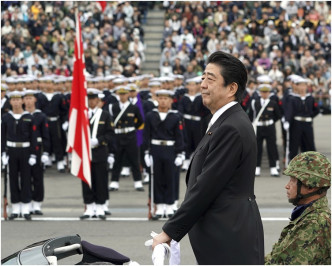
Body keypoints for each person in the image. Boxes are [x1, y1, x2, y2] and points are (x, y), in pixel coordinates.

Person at [151, 51, 264, 264]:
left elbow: (206, 186)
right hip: (223, 234)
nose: (202, 84)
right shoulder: (224, 121)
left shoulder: (231, 127)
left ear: (231, 88)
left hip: (229, 238)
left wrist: (169, 232)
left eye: (210, 79)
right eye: (203, 77)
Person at [265, 151, 331, 265]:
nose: (287, 186)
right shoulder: (307, 215)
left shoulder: (314, 223)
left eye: (293, 180)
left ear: (310, 186)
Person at [143, 90, 185, 219]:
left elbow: (180, 136)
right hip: (155, 149)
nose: (163, 101)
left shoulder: (176, 116)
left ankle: (170, 204)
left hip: (170, 149)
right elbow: (146, 136)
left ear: (171, 101)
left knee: (170, 177)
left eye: (165, 99)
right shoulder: (151, 115)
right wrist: (146, 152)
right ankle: (159, 205)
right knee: (157, 178)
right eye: (160, 98)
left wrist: (180, 153)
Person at [1, 91, 38, 220]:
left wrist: (33, 154)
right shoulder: (6, 117)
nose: (16, 103)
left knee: (26, 179)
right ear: (10, 102)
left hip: (25, 150)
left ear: (22, 101)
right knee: (13, 179)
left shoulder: (29, 117)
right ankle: (16, 207)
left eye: (18, 100)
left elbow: (34, 138)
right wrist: (3, 153)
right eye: (13, 100)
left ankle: (26, 207)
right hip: (11, 150)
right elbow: (2, 137)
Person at [80, 89, 114, 220]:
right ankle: (89, 207)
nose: (91, 101)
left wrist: (99, 141)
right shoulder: (82, 115)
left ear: (98, 100)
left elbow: (110, 134)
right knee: (87, 180)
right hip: (85, 153)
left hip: (99, 151)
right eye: (88, 99)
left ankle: (100, 206)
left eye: (93, 99)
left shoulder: (104, 115)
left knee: (100, 180)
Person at [23, 90, 50, 215]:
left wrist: (46, 152)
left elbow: (46, 136)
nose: (28, 101)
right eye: (26, 98)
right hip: (24, 149)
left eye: (30, 98)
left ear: (35, 100)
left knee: (38, 177)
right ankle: (27, 202)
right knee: (25, 177)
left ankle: (37, 203)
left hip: (38, 149)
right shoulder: (21, 116)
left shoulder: (41, 116)